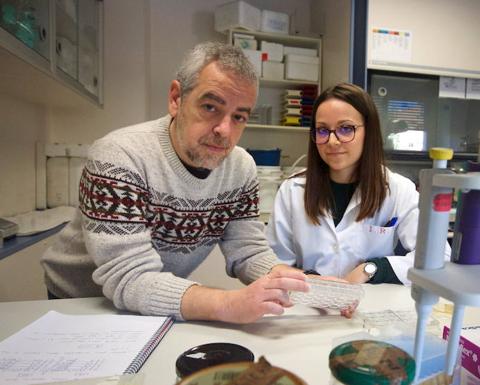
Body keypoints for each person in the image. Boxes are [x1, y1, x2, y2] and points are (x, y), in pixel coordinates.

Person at [41, 42, 308, 323]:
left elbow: (247, 249)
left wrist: (296, 283)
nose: (224, 130)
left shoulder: (241, 168)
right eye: (210, 107)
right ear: (176, 98)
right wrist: (227, 303)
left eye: (239, 116)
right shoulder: (119, 156)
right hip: (80, 301)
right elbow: (129, 276)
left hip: (149, 299)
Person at [266, 82, 451, 285]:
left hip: (371, 304)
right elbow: (275, 261)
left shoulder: (398, 189)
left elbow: (438, 256)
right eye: (322, 130)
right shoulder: (292, 191)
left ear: (368, 131)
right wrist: (310, 280)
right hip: (308, 303)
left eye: (346, 129)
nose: (332, 141)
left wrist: (372, 269)